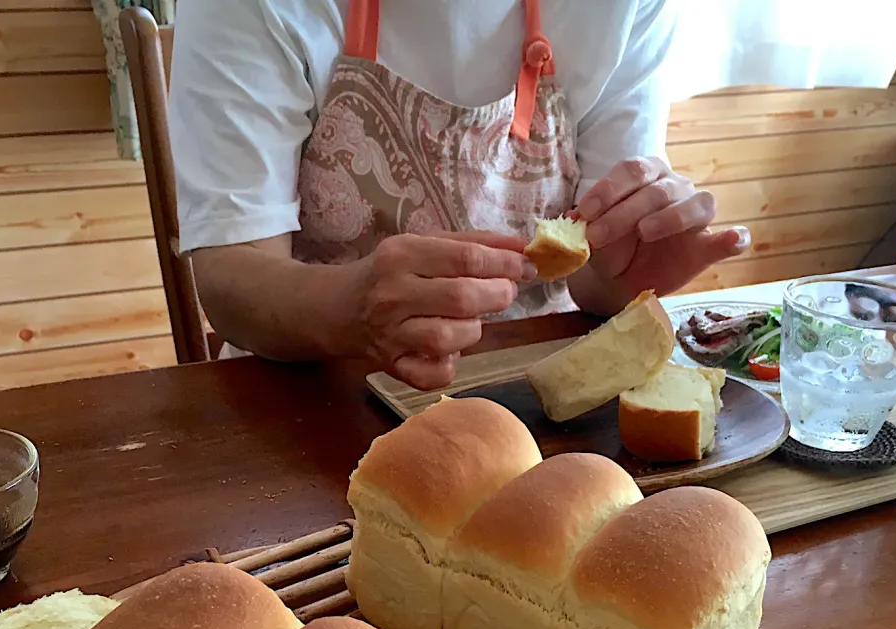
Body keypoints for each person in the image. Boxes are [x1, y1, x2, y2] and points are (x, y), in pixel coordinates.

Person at [169, 0, 750, 389]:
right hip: (309, 400)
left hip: (533, 400)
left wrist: (627, 271)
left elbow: (592, 281)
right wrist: (349, 310)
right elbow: (228, 275)